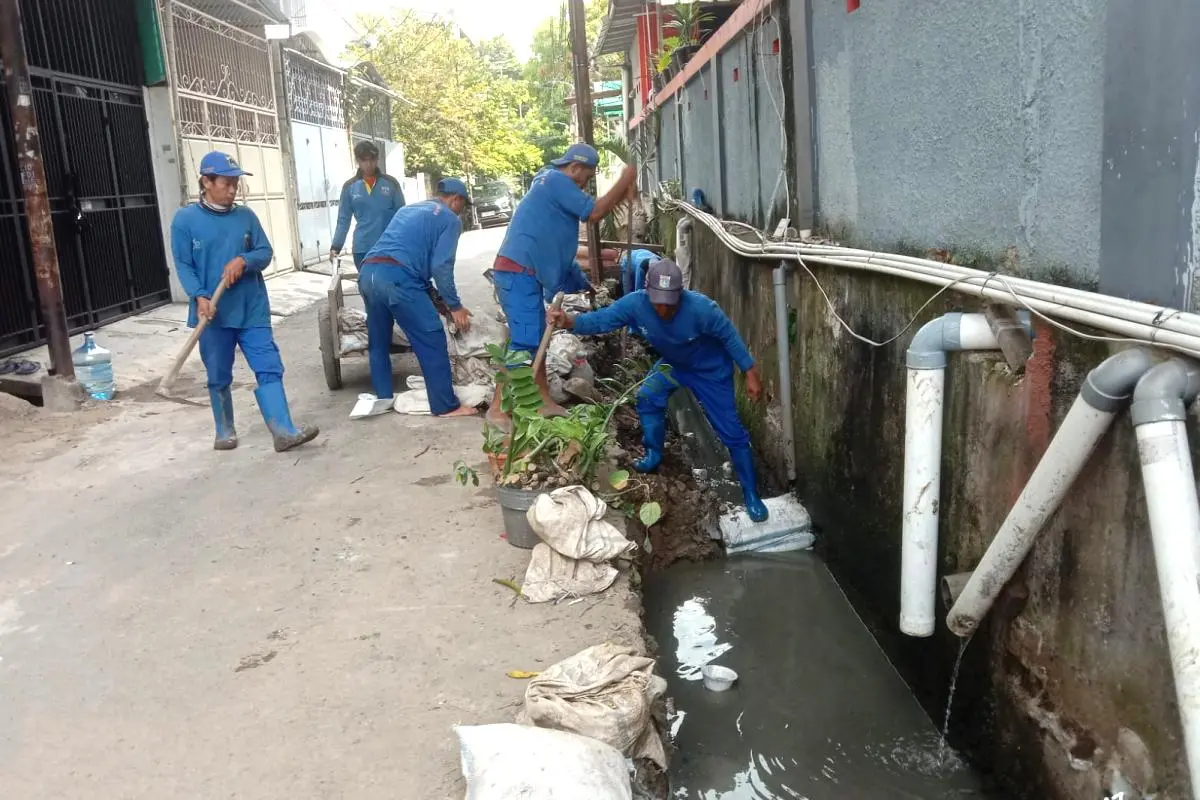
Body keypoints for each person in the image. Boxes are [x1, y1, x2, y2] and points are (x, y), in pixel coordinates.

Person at [547, 258, 769, 522]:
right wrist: (568, 321)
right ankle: (653, 452)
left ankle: (751, 493)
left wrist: (750, 372)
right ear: (647, 291)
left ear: (680, 294)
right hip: (674, 366)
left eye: (669, 302)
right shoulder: (636, 304)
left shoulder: (702, 309)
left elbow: (729, 336)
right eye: (657, 301)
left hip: (711, 371)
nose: (663, 308)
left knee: (731, 431)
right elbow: (601, 321)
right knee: (648, 396)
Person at [170, 150, 319, 452]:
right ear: (206, 181)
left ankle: (283, 431)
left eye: (235, 183)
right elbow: (183, 264)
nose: (232, 189)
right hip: (213, 312)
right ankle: (224, 429)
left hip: (251, 308)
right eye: (226, 183)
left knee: (269, 366)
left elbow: (264, 252)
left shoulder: (246, 217)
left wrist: (243, 260)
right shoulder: (185, 220)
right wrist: (199, 295)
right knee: (218, 373)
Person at [489, 143, 639, 426]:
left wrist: (583, 285)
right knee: (524, 343)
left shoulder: (550, 185)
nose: (585, 184)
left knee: (536, 340)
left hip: (525, 273)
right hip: (517, 273)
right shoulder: (556, 180)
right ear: (575, 168)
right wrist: (625, 179)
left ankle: (543, 399)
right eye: (587, 177)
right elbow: (593, 214)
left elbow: (561, 251)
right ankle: (499, 408)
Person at [354, 177, 477, 418]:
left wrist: (439, 301)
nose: (462, 211)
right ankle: (445, 406)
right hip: (397, 279)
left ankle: (383, 398)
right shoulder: (449, 219)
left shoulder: (408, 210)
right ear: (455, 200)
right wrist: (455, 305)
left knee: (378, 341)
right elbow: (441, 266)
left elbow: (412, 261)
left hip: (368, 273)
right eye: (463, 205)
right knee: (431, 336)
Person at [329, 140, 405, 268]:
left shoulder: (391, 184)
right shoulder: (350, 187)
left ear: (377, 159)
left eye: (372, 160)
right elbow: (343, 221)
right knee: (366, 286)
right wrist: (336, 247)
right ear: (358, 161)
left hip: (389, 247)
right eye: (364, 160)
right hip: (362, 249)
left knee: (388, 286)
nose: (369, 164)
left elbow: (403, 216)